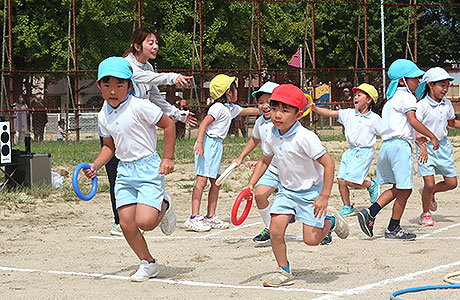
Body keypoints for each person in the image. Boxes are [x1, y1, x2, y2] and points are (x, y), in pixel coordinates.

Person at [244, 84, 349, 287]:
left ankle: (332, 221)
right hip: (286, 192)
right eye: (274, 109)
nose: (277, 115)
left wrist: (324, 196)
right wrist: (250, 184)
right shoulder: (271, 134)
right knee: (275, 230)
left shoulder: (306, 138)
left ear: (298, 114)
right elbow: (265, 160)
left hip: (311, 193)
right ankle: (284, 271)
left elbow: (329, 163)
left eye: (285, 110)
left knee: (312, 240)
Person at [84, 57, 177, 282]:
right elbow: (109, 146)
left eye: (119, 85)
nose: (113, 91)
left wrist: (167, 158)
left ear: (129, 85)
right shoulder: (103, 114)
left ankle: (165, 204)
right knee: (125, 224)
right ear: (99, 85)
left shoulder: (140, 106)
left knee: (145, 222)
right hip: (124, 171)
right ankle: (148, 263)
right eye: (107, 85)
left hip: (148, 168)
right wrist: (95, 165)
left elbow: (169, 125)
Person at [104, 27, 198, 237]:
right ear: (137, 46)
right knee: (116, 174)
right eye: (150, 43)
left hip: (140, 130)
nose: (155, 46)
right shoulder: (127, 65)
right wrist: (173, 77)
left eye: (156, 42)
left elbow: (156, 97)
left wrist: (178, 114)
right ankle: (120, 219)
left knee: (138, 172)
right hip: (119, 127)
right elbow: (144, 78)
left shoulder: (148, 67)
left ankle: (155, 207)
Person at [357, 59, 439, 241]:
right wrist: (432, 136)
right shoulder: (408, 97)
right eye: (415, 78)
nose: (418, 82)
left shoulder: (389, 101)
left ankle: (371, 213)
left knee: (398, 188)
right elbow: (412, 121)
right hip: (400, 149)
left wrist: (416, 138)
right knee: (406, 189)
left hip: (386, 148)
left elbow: (396, 127)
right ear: (402, 81)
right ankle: (392, 226)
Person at [184, 74, 259, 232]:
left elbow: (248, 110)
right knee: (201, 181)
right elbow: (204, 123)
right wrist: (199, 143)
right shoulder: (217, 108)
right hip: (208, 143)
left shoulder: (230, 108)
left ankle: (210, 216)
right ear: (228, 92)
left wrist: (268, 111)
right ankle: (194, 217)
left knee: (216, 182)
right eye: (234, 87)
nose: (237, 90)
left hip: (217, 145)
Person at [310, 83, 381, 217]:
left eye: (359, 95)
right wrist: (316, 109)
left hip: (364, 152)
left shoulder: (374, 119)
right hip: (350, 151)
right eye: (355, 95)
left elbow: (385, 132)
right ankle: (347, 206)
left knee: (351, 182)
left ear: (369, 99)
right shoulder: (349, 113)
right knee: (341, 180)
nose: (355, 97)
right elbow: (331, 113)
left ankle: (371, 183)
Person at [231, 81, 280, 243]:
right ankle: (270, 229)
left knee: (304, 205)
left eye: (269, 101)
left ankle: (328, 222)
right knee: (259, 195)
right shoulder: (260, 122)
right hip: (271, 168)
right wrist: (241, 157)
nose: (265, 105)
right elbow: (254, 140)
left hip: (292, 169)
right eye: (261, 102)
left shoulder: (283, 121)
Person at [415, 67, 459, 226]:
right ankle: (425, 213)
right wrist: (421, 145)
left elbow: (451, 122)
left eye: (447, 85)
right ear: (430, 85)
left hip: (443, 146)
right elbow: (415, 126)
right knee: (429, 182)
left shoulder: (446, 103)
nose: (445, 89)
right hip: (425, 147)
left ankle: (429, 193)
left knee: (452, 183)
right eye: (442, 85)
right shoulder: (422, 105)